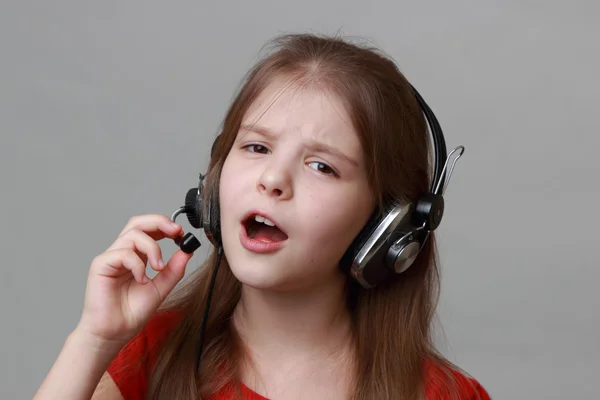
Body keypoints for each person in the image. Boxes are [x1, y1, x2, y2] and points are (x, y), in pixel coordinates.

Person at [34, 33, 490, 400]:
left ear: (385, 226)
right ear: (214, 183)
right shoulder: (149, 358)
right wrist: (93, 340)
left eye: (322, 166)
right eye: (256, 147)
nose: (273, 179)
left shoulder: (443, 395)